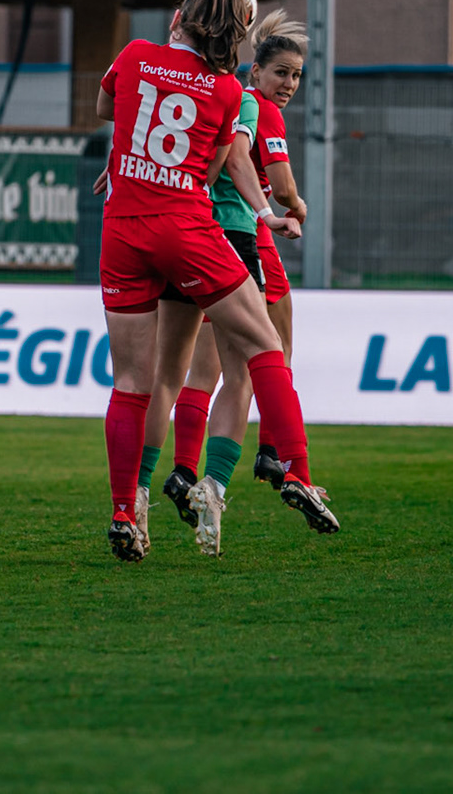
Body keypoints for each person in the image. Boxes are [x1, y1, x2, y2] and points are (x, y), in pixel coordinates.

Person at [95, 0, 338, 563]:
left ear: (181, 12)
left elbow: (107, 107)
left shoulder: (134, 54)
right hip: (186, 226)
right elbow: (220, 162)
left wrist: (126, 156)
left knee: (136, 380)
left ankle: (127, 510)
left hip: (123, 228)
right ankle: (295, 468)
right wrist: (266, 213)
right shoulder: (229, 90)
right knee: (261, 342)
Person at [137, 37, 301, 556]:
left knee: (180, 373)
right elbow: (249, 167)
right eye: (283, 73)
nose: (290, 84)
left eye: (297, 75)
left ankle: (146, 491)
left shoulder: (181, 86)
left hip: (175, 231)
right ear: (251, 68)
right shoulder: (249, 102)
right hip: (233, 236)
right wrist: (286, 208)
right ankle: (280, 461)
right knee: (267, 353)